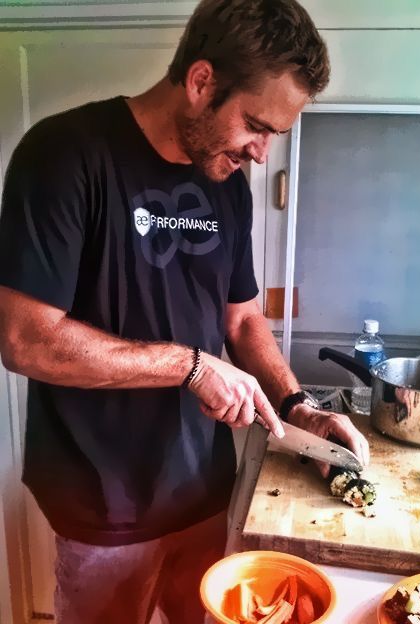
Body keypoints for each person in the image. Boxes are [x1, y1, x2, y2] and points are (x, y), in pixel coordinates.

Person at [0, 0, 369, 622]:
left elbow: (243, 319)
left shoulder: (226, 181)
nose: (261, 152)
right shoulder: (64, 155)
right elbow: (24, 339)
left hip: (202, 488)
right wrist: (190, 366)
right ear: (201, 82)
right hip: (102, 504)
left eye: (274, 134)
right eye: (255, 124)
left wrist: (296, 408)